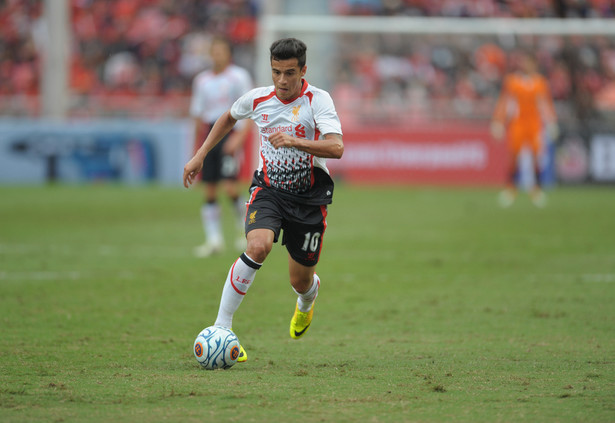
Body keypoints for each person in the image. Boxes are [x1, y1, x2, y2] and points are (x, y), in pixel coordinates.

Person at [183, 38, 344, 362]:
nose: (282, 81)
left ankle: (306, 302)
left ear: (303, 71)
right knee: (257, 246)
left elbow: (336, 147)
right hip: (268, 191)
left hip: (309, 199)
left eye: (289, 73)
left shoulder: (318, 101)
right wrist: (200, 155)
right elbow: (228, 118)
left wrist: (295, 141)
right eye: (276, 72)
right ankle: (223, 328)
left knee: (300, 281)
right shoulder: (258, 99)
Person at [189, 36, 253, 257]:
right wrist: (197, 148)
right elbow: (197, 115)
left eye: (221, 51)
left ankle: (245, 232)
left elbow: (249, 110)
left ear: (228, 54)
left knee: (230, 187)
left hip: (229, 132)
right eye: (214, 52)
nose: (217, 55)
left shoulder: (239, 77)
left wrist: (239, 138)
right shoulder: (202, 81)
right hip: (209, 134)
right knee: (209, 189)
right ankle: (214, 240)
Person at [491, 49, 558, 208]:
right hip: (518, 123)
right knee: (514, 155)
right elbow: (504, 102)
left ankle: (536, 189)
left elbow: (545, 104)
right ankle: (510, 189)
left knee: (536, 156)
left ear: (534, 64)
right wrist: (498, 122)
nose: (525, 65)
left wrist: (551, 122)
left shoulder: (540, 82)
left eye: (528, 62)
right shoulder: (512, 81)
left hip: (534, 124)